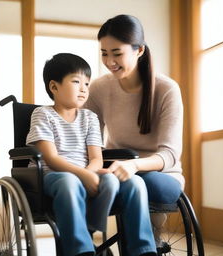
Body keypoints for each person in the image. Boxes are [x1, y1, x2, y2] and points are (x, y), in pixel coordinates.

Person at [26, 53, 157, 256]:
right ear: (54, 87)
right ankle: (82, 249)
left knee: (135, 182)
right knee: (68, 182)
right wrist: (83, 175)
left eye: (87, 83)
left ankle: (142, 250)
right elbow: (51, 158)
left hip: (87, 171)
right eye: (76, 82)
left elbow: (96, 158)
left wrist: (90, 173)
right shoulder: (43, 114)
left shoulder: (89, 117)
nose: (83, 89)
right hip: (52, 175)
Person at [85, 14, 184, 252]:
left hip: (161, 175)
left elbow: (170, 154)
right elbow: (89, 138)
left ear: (139, 50)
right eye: (104, 53)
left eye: (117, 53)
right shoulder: (98, 88)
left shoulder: (166, 89)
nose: (109, 61)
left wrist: (134, 166)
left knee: (135, 181)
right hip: (114, 168)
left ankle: (144, 245)